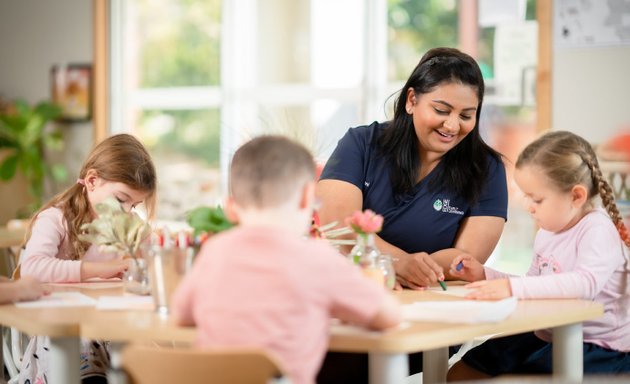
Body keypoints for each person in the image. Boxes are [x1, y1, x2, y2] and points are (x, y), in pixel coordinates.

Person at [315, 47, 508, 382]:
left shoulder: (486, 168)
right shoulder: (361, 144)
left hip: (431, 316)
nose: (452, 125)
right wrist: (398, 264)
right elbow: (339, 228)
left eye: (466, 115)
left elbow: (466, 261)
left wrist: (408, 267)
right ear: (411, 100)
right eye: (442, 109)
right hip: (348, 308)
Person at [172, 135, 401, 384]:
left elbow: (181, 315)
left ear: (231, 206)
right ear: (307, 198)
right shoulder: (317, 258)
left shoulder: (214, 251)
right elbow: (389, 316)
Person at [447, 130, 630, 380]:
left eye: (537, 199)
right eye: (526, 196)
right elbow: (533, 284)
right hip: (548, 335)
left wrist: (510, 289)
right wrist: (484, 274)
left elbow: (585, 284)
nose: (527, 205)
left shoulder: (597, 229)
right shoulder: (548, 232)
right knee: (463, 370)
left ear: (576, 196)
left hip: (597, 347)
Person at [18, 133, 157, 383]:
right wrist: (99, 270)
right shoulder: (56, 218)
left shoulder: (127, 225)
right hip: (65, 331)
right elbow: (32, 268)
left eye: (134, 206)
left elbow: (151, 265)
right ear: (92, 181)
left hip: (111, 327)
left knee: (148, 359)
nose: (127, 211)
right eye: (121, 200)